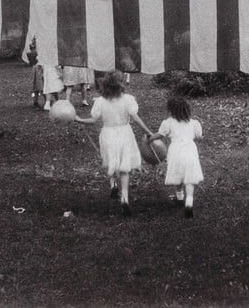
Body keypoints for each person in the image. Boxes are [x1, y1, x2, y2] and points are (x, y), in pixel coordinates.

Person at [74, 70, 152, 216]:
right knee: (124, 167)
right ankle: (124, 198)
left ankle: (112, 183)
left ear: (105, 84)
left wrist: (79, 120)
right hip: (125, 134)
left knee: (110, 160)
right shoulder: (128, 99)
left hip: (108, 134)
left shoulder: (100, 101)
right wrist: (148, 132)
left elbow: (93, 120)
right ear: (121, 84)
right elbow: (136, 118)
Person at [149, 95, 203, 218]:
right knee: (190, 177)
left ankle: (179, 196)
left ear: (171, 110)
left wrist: (149, 138)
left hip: (176, 151)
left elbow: (160, 135)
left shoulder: (168, 123)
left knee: (178, 173)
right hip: (190, 149)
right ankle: (189, 203)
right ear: (187, 109)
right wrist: (199, 137)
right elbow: (199, 136)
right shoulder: (194, 123)